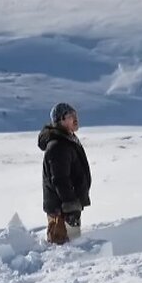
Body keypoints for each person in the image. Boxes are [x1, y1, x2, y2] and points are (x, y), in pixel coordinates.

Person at [38, 102, 91, 245]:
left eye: (76, 115)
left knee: (72, 247)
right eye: (70, 116)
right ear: (60, 120)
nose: (75, 118)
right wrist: (70, 205)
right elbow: (60, 179)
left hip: (67, 208)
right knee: (64, 252)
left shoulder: (67, 141)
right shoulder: (58, 146)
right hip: (61, 211)